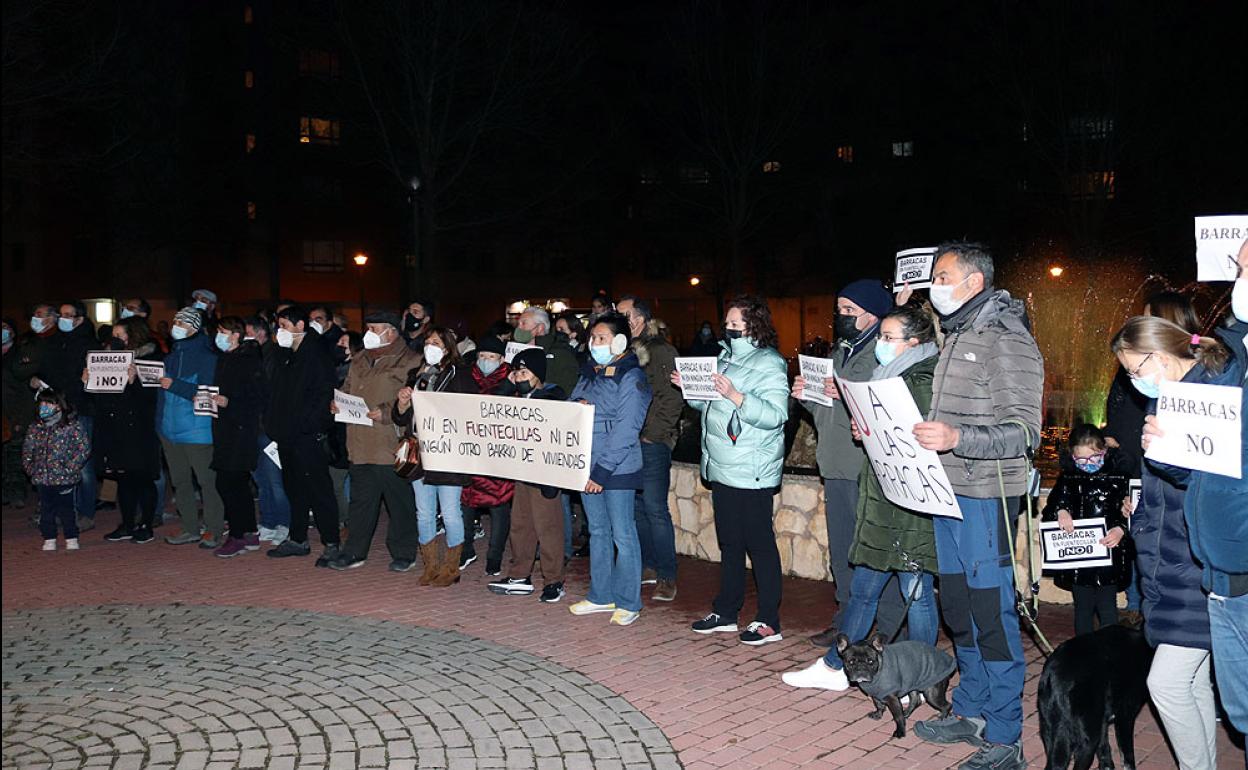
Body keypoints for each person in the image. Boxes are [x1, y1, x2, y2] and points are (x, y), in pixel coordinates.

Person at [910, 242, 1042, 770]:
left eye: (941, 275)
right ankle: (971, 709)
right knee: (960, 613)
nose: (932, 285)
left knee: (990, 616)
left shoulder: (1006, 339)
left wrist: (956, 436)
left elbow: (1023, 432)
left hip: (986, 498)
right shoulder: (958, 333)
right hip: (950, 494)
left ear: (973, 281)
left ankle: (1007, 736)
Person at [784, 303, 941, 690]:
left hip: (909, 504)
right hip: (882, 499)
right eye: (882, 337)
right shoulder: (891, 373)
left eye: (889, 339)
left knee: (916, 594)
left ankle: (922, 674)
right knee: (864, 590)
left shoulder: (921, 378)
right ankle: (835, 667)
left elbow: (916, 438)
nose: (881, 346)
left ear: (914, 343)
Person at [1112, 315, 1229, 770]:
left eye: (1134, 370)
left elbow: (1214, 486)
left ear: (1159, 357)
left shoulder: (1209, 400)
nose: (1131, 381)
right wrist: (1140, 513)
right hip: (1172, 567)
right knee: (1192, 682)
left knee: (1166, 683)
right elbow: (1164, 485)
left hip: (1200, 566)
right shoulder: (1169, 403)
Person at [677, 296, 789, 646]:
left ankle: (769, 620)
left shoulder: (770, 362)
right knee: (730, 543)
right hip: (722, 466)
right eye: (727, 320)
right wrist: (690, 390)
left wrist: (739, 397)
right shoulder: (725, 357)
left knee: (760, 546)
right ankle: (726, 611)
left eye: (735, 321)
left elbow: (776, 416)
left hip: (751, 468)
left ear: (753, 323)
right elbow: (711, 404)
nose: (728, 326)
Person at [796, 279, 900, 648]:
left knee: (871, 552)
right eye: (839, 309)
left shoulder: (881, 353)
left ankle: (887, 627)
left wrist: (839, 395)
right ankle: (845, 622)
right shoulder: (842, 351)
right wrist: (808, 396)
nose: (840, 317)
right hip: (835, 463)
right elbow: (829, 415)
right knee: (842, 551)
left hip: (863, 468)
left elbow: (880, 407)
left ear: (871, 315)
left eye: (848, 311)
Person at [1105, 291, 1203, 627]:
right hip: (1157, 519)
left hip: (1189, 548)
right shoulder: (1156, 393)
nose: (1133, 381)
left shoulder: (1203, 392)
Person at [1183, 247, 1248, 739]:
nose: (1238, 279)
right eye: (1239, 268)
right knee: (1241, 714)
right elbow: (1187, 468)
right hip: (1221, 575)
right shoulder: (1226, 352)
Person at [567, 313, 651, 626]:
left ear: (619, 341)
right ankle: (601, 595)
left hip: (616, 468)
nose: (594, 344)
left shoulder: (632, 377)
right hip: (586, 464)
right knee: (598, 531)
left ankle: (629, 601)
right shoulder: (590, 372)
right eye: (592, 338)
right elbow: (573, 405)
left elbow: (628, 429)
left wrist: (601, 472)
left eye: (600, 338)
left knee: (622, 534)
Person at [326, 312, 421, 572]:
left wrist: (387, 410)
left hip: (389, 442)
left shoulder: (410, 360)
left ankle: (404, 551)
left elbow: (415, 397)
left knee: (398, 501)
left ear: (390, 331)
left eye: (374, 327)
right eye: (367, 327)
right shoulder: (360, 358)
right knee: (361, 502)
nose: (368, 332)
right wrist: (339, 401)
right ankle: (354, 551)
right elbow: (347, 386)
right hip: (359, 441)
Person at [393, 325, 475, 586]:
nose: (430, 346)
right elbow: (402, 418)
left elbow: (468, 413)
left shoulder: (460, 376)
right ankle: (430, 565)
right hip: (420, 456)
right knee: (424, 513)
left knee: (450, 512)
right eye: (428, 341)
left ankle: (451, 567)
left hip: (447, 456)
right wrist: (403, 403)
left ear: (448, 347)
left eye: (437, 342)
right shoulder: (416, 375)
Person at [488, 348, 569, 602]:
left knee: (549, 528)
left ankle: (554, 580)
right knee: (521, 525)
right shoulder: (515, 397)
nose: (519, 377)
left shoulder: (552, 395)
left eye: (524, 372)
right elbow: (489, 407)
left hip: (544, 475)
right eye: (516, 372)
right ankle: (520, 575)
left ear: (538, 375)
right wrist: (506, 384)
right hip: (522, 472)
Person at [264, 306, 342, 566]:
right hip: (286, 433)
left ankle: (331, 541)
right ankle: (298, 538)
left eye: (285, 326)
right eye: (278, 326)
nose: (280, 331)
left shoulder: (316, 353)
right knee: (294, 488)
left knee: (319, 489)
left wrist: (309, 425)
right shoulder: (284, 353)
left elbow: (323, 394)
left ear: (300, 326)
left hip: (307, 435)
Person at [617, 295, 683, 602]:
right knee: (637, 508)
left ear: (639, 319)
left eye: (624, 316)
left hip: (651, 442)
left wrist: (653, 436)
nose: (619, 321)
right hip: (629, 441)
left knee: (655, 509)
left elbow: (671, 397)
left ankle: (668, 575)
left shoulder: (659, 350)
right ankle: (648, 566)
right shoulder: (625, 352)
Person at [1040, 424, 1133, 636]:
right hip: (1080, 562)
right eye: (1081, 460)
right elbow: (1053, 506)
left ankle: (1109, 653)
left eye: (1094, 458)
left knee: (1107, 608)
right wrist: (1061, 511)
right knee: (1083, 609)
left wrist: (1121, 528)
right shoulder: (1068, 479)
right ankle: (1083, 653)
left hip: (1109, 557)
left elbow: (1132, 513)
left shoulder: (1118, 479)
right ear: (1072, 457)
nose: (1088, 465)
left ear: (1104, 452)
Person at [87, 318, 162, 544]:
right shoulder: (108, 359)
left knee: (142, 478)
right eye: (114, 336)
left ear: (134, 336)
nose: (116, 340)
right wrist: (89, 383)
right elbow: (101, 399)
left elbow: (152, 398)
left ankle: (146, 524)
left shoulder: (150, 359)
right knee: (123, 478)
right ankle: (128, 523)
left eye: (120, 336)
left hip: (139, 430)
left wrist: (135, 381)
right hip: (115, 428)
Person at [156, 307, 226, 547]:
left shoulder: (208, 357)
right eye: (175, 321)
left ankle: (214, 528)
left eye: (182, 323)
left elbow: (207, 393)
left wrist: (175, 385)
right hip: (169, 430)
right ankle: (189, 527)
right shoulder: (171, 357)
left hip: (197, 430)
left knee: (208, 482)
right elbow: (161, 395)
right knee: (181, 482)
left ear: (195, 327)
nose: (176, 326)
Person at [208, 317, 265, 558]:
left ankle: (237, 535)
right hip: (225, 428)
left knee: (229, 482)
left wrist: (230, 402)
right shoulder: (225, 359)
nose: (218, 336)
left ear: (235, 335)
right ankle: (249, 532)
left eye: (223, 332)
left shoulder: (248, 360)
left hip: (241, 430)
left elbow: (255, 397)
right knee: (236, 483)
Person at [36, 301, 96, 531]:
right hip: (57, 410)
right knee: (58, 463)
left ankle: (86, 512)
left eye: (68, 315)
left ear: (80, 319)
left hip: (81, 409)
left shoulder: (90, 345)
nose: (63, 319)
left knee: (83, 466)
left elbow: (91, 381)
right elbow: (48, 372)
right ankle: (63, 510)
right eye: (61, 315)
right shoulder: (55, 342)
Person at [459, 334, 514, 574]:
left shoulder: (511, 380)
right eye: (482, 356)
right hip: (470, 452)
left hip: (497, 454)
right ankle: (466, 548)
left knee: (498, 504)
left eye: (491, 357)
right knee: (466, 502)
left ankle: (495, 555)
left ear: (501, 359)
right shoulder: (465, 377)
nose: (485, 361)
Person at [22, 389, 90, 551]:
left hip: (64, 478)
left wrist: (70, 467)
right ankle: (49, 537)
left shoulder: (72, 426)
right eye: (42, 403)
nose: (44, 406)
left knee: (67, 509)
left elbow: (83, 448)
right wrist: (30, 468)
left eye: (49, 403)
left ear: (59, 406)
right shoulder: (36, 427)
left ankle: (71, 536)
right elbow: (27, 449)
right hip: (42, 477)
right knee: (46, 509)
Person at [246, 315, 290, 545]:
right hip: (252, 426)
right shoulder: (250, 356)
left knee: (275, 480)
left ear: (260, 333)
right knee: (261, 479)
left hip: (269, 427)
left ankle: (284, 523)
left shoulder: (274, 356)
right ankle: (269, 521)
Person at [2, 318, 37, 508]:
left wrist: (22, 417)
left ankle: (16, 493)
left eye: (5, 328)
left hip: (16, 412)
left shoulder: (20, 356)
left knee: (15, 455)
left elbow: (25, 391)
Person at [513, 306, 579, 395]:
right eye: (518, 324)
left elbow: (567, 389)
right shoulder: (513, 351)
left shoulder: (559, 352)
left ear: (540, 328)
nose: (519, 328)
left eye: (523, 323)